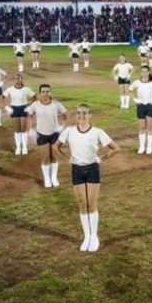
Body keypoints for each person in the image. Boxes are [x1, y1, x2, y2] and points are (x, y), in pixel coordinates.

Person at [57, 104, 121, 252]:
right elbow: (56, 146)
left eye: (84, 113)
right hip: (76, 169)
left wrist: (102, 158)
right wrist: (67, 159)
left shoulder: (97, 132)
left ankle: (94, 236)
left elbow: (116, 148)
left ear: (90, 115)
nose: (81, 116)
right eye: (78, 113)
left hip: (92, 169)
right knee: (81, 203)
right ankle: (87, 236)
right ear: (76, 115)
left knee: (91, 204)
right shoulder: (69, 131)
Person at [27, 84, 67, 187]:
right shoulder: (35, 105)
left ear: (50, 92)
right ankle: (47, 179)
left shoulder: (56, 104)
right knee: (45, 158)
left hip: (54, 134)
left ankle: (54, 177)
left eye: (47, 91)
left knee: (54, 157)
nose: (45, 93)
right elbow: (30, 116)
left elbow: (65, 115)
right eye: (43, 91)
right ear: (40, 93)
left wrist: (62, 127)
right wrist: (31, 129)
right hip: (42, 134)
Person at [129, 66, 152, 154]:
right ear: (140, 73)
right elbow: (129, 90)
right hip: (140, 106)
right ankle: (141, 147)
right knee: (141, 127)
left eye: (146, 72)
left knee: (150, 127)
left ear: (149, 72)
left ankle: (149, 147)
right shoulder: (136, 82)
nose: (144, 74)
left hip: (150, 106)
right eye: (142, 72)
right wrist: (134, 99)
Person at [3, 74, 36, 155]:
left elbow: (34, 97)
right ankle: (18, 147)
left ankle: (24, 147)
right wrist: (7, 107)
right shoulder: (10, 89)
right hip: (14, 109)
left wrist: (30, 106)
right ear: (13, 80)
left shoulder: (26, 89)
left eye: (18, 78)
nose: (17, 80)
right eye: (15, 78)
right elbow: (2, 98)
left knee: (23, 129)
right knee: (17, 129)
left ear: (21, 79)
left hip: (24, 108)